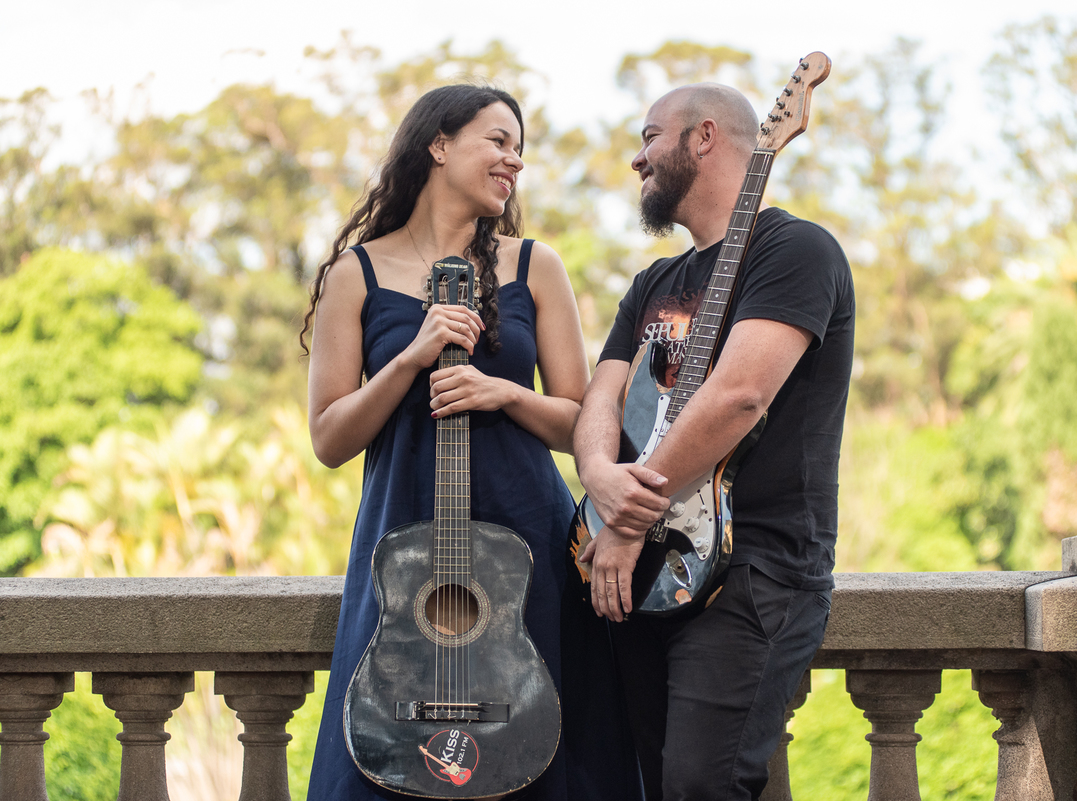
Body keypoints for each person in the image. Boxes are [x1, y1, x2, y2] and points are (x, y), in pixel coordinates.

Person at [301, 84, 640, 801]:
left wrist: (504, 393)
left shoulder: (536, 266)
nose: (514, 160)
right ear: (439, 144)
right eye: (498, 140)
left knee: (548, 757)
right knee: (386, 755)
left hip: (531, 551)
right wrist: (410, 358)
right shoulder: (355, 274)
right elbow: (329, 437)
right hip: (403, 557)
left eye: (520, 149)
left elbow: (584, 425)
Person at [573, 82, 855, 801]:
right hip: (638, 568)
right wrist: (600, 476)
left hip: (754, 569)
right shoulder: (654, 283)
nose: (637, 159)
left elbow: (740, 396)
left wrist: (625, 518)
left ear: (704, 137)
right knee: (649, 783)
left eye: (649, 137)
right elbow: (600, 397)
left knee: (704, 784)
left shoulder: (796, 250)